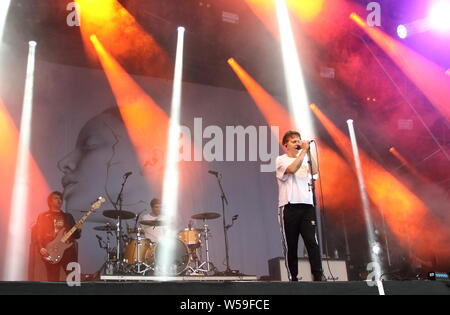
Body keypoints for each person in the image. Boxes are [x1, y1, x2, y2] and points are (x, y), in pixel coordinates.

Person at [276, 130, 323, 281]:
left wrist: (309, 153)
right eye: (293, 141)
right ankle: (293, 277)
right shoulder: (281, 160)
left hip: (307, 206)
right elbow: (291, 169)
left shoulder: (304, 158)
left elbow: (315, 171)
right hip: (289, 206)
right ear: (286, 145)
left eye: (299, 140)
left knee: (311, 241)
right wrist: (303, 152)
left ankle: (318, 275)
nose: (297, 143)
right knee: (292, 244)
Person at [34, 191, 81, 281]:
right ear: (50, 201)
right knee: (53, 279)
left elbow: (76, 236)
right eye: (56, 198)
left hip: (68, 251)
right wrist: (41, 247)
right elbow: (38, 234)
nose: (59, 200)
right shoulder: (43, 216)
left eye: (60, 198)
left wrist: (78, 229)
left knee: (74, 280)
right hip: (52, 250)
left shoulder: (68, 216)